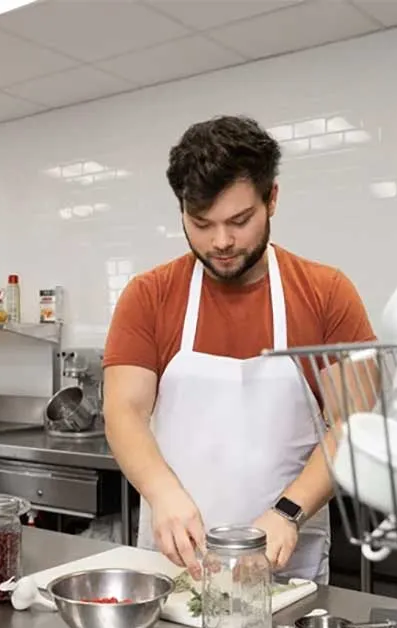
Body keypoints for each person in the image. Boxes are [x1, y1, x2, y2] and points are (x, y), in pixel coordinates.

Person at [102, 115, 376, 584]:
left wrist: (288, 511)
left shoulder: (328, 292)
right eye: (201, 223)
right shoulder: (148, 295)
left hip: (286, 563)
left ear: (272, 199)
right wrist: (163, 494)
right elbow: (123, 412)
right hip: (175, 560)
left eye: (240, 221)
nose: (221, 242)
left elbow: (356, 421)